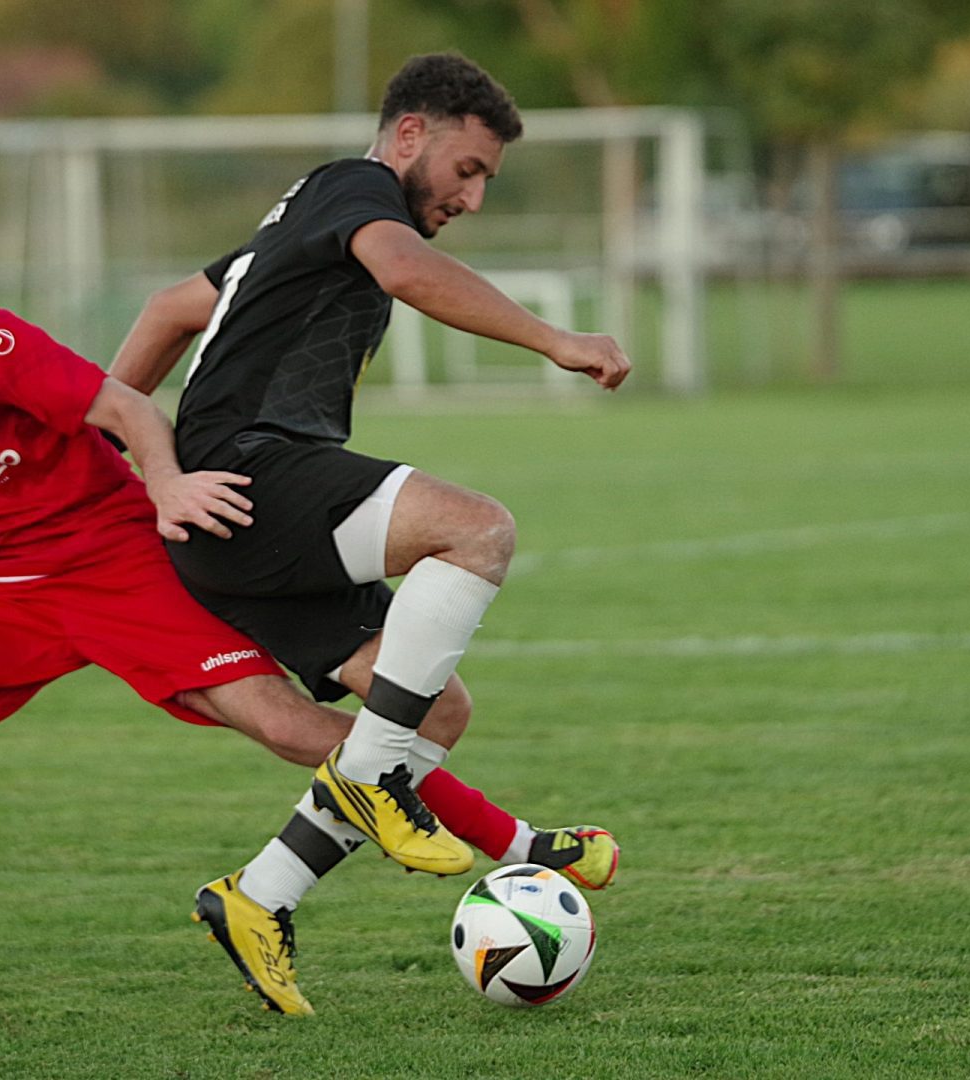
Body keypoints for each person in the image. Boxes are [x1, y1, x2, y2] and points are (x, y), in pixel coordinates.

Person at [0, 210, 607, 1037]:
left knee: (290, 729)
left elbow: (122, 404)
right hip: (2, 590)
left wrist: (165, 485)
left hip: (117, 558)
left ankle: (515, 841)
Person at [110, 52, 631, 1015]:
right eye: (467, 170)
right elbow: (404, 267)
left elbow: (171, 309)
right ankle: (378, 780)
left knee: (436, 712)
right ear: (409, 135)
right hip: (249, 475)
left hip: (233, 512)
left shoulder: (302, 221)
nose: (472, 198)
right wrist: (556, 340)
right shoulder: (357, 190)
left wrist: (116, 447)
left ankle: (258, 897)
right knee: (477, 529)